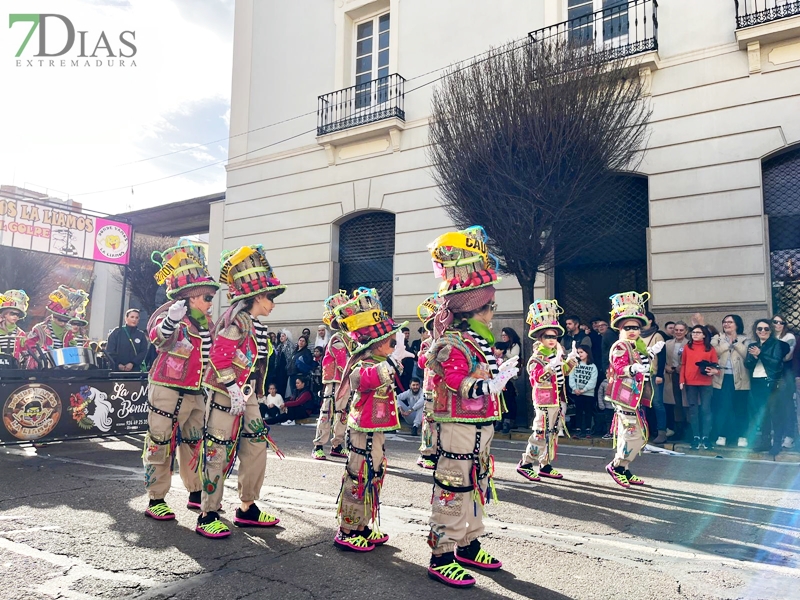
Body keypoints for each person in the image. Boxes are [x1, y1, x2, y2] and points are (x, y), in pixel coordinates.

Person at [424, 226, 515, 588]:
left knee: (476, 482)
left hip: (480, 423)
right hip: (458, 425)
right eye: (490, 305)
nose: (494, 310)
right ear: (476, 309)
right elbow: (456, 383)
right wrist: (490, 383)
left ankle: (469, 543)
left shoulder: (477, 340)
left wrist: (498, 378)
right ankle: (441, 552)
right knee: (453, 484)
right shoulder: (452, 343)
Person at [196, 244, 286, 538]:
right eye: (271, 297)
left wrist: (246, 393)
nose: (273, 303)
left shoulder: (253, 323)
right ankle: (208, 512)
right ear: (258, 296)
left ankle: (247, 507)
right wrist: (232, 388)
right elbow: (219, 356)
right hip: (226, 392)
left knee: (256, 445)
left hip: (247, 395)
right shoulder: (237, 320)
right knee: (217, 449)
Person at [142, 242, 218, 521]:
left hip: (197, 392)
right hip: (167, 390)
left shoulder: (207, 323)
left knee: (195, 442)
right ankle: (156, 498)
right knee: (160, 442)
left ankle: (196, 492)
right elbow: (159, 340)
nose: (211, 302)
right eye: (207, 297)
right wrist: (171, 323)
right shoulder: (169, 315)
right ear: (191, 297)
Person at [331, 287, 411, 552]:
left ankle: (362, 525)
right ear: (376, 344)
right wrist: (389, 365)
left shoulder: (382, 362)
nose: (394, 344)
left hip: (376, 430)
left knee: (374, 474)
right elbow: (363, 380)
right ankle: (346, 528)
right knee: (358, 475)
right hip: (362, 431)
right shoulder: (364, 364)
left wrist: (391, 363)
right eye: (391, 341)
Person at [604, 291, 664, 489]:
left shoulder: (637, 347)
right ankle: (617, 466)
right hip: (624, 398)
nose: (632, 330)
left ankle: (624, 467)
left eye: (636, 327)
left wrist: (648, 359)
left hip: (635, 398)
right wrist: (632, 368)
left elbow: (645, 369)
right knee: (632, 435)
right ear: (620, 328)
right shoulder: (620, 346)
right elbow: (619, 367)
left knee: (637, 436)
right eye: (628, 327)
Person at [517, 299, 578, 483]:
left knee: (552, 434)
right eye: (548, 337)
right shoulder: (536, 359)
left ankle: (545, 465)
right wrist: (550, 367)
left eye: (554, 337)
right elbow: (536, 378)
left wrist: (571, 360)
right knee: (540, 433)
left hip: (557, 401)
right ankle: (526, 463)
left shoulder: (555, 356)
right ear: (540, 339)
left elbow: (564, 373)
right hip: (543, 402)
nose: (552, 340)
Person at [312, 291, 352, 460]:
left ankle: (337, 444)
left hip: (346, 381)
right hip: (336, 380)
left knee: (342, 414)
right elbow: (342, 361)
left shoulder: (350, 339)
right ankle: (318, 445)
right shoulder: (338, 338)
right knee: (328, 412)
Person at [745, 319, 790, 455]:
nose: (762, 331)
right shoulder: (753, 345)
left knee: (775, 413)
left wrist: (760, 354)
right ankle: (765, 441)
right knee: (763, 414)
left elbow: (776, 363)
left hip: (772, 382)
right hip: (757, 382)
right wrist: (753, 357)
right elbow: (748, 364)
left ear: (771, 330)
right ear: (755, 331)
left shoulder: (778, 345)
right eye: (759, 329)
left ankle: (776, 443)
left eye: (766, 329)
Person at [711, 315, 750, 448]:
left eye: (730, 322)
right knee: (723, 407)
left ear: (737, 324)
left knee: (741, 408)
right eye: (725, 322)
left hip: (740, 379)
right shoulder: (717, 338)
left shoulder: (745, 339)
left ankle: (742, 436)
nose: (727, 324)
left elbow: (747, 356)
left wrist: (736, 342)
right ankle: (722, 435)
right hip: (721, 378)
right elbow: (712, 353)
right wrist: (727, 345)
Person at [25, 286, 90, 365]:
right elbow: (29, 344)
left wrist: (73, 346)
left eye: (66, 321)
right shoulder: (39, 328)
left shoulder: (69, 331)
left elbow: (70, 350)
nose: (63, 323)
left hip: (62, 366)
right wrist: (40, 353)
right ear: (53, 316)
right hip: (41, 366)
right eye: (60, 319)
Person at [680, 325, 719, 450]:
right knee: (693, 410)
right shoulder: (687, 347)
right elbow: (683, 364)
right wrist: (682, 380)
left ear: (704, 335)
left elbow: (716, 366)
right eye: (693, 332)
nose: (695, 334)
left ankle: (706, 436)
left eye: (698, 332)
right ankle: (696, 436)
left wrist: (713, 371)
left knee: (706, 410)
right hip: (690, 382)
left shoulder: (710, 348)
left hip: (705, 382)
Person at [415, 295, 441, 470]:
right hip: (430, 387)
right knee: (429, 420)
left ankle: (440, 451)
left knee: (443, 422)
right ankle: (427, 453)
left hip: (446, 388)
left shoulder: (450, 340)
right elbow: (422, 362)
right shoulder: (426, 344)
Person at [641, 311, 668, 444]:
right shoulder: (637, 335)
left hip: (653, 374)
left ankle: (662, 431)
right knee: (641, 403)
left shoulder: (657, 336)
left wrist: (659, 374)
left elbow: (662, 356)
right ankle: (644, 431)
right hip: (640, 374)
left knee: (657, 403)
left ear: (650, 320)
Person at [771, 314, 796, 449]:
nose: (778, 325)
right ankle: (777, 435)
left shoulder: (789, 337)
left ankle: (789, 436)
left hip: (785, 375)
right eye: (775, 322)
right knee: (774, 406)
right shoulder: (768, 336)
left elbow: (787, 356)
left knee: (787, 406)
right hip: (771, 375)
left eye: (781, 322)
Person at [664, 321, 690, 439]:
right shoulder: (667, 343)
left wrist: (683, 367)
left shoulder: (690, 343)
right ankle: (677, 430)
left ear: (686, 331)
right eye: (676, 330)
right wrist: (666, 367)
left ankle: (688, 430)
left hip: (685, 376)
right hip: (671, 376)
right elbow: (661, 359)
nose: (678, 332)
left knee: (686, 403)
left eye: (681, 330)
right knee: (675, 403)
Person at [106, 309, 150, 373]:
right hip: (117, 370)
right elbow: (110, 350)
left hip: (134, 370)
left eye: (136, 317)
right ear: (126, 318)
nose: (134, 319)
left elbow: (143, 352)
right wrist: (117, 364)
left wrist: (132, 363)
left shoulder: (141, 335)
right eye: (132, 317)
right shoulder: (117, 332)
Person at [568, 345, 598, 439]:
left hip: (588, 393)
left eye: (581, 352)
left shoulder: (593, 366)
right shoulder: (575, 364)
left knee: (588, 411)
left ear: (587, 353)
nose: (579, 354)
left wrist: (584, 390)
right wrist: (575, 388)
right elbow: (571, 377)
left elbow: (593, 380)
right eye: (578, 352)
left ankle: (588, 429)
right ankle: (578, 430)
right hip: (577, 392)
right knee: (578, 411)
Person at [499, 327, 522, 433]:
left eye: (505, 335)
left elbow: (515, 356)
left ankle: (509, 421)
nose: (503, 337)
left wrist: (504, 352)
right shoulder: (501, 345)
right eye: (502, 335)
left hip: (510, 376)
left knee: (509, 398)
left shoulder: (514, 345)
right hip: (500, 375)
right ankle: (501, 420)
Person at [0, 290, 29, 364]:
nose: (15, 316)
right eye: (12, 313)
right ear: (5, 314)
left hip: (14, 369)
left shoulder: (20, 334)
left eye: (18, 315)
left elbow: (25, 352)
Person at [274, 329, 293, 397]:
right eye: (281, 336)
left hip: (285, 368)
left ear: (287, 337)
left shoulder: (290, 345)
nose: (281, 338)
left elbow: (290, 357)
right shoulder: (279, 346)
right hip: (279, 368)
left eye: (283, 336)